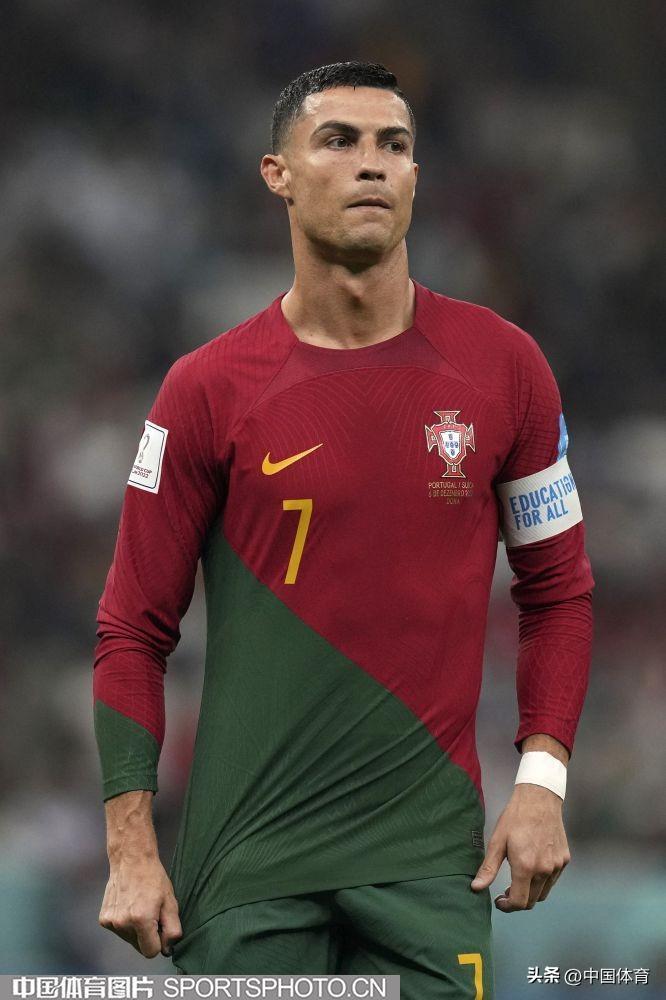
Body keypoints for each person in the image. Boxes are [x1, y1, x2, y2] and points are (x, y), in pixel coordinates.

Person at [94, 61, 594, 997]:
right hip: (245, 874)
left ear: (415, 176)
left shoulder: (505, 368)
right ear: (277, 174)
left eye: (394, 146)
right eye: (339, 141)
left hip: (430, 868)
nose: (372, 163)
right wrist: (130, 846)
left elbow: (559, 592)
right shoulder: (205, 389)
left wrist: (542, 781)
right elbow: (131, 628)